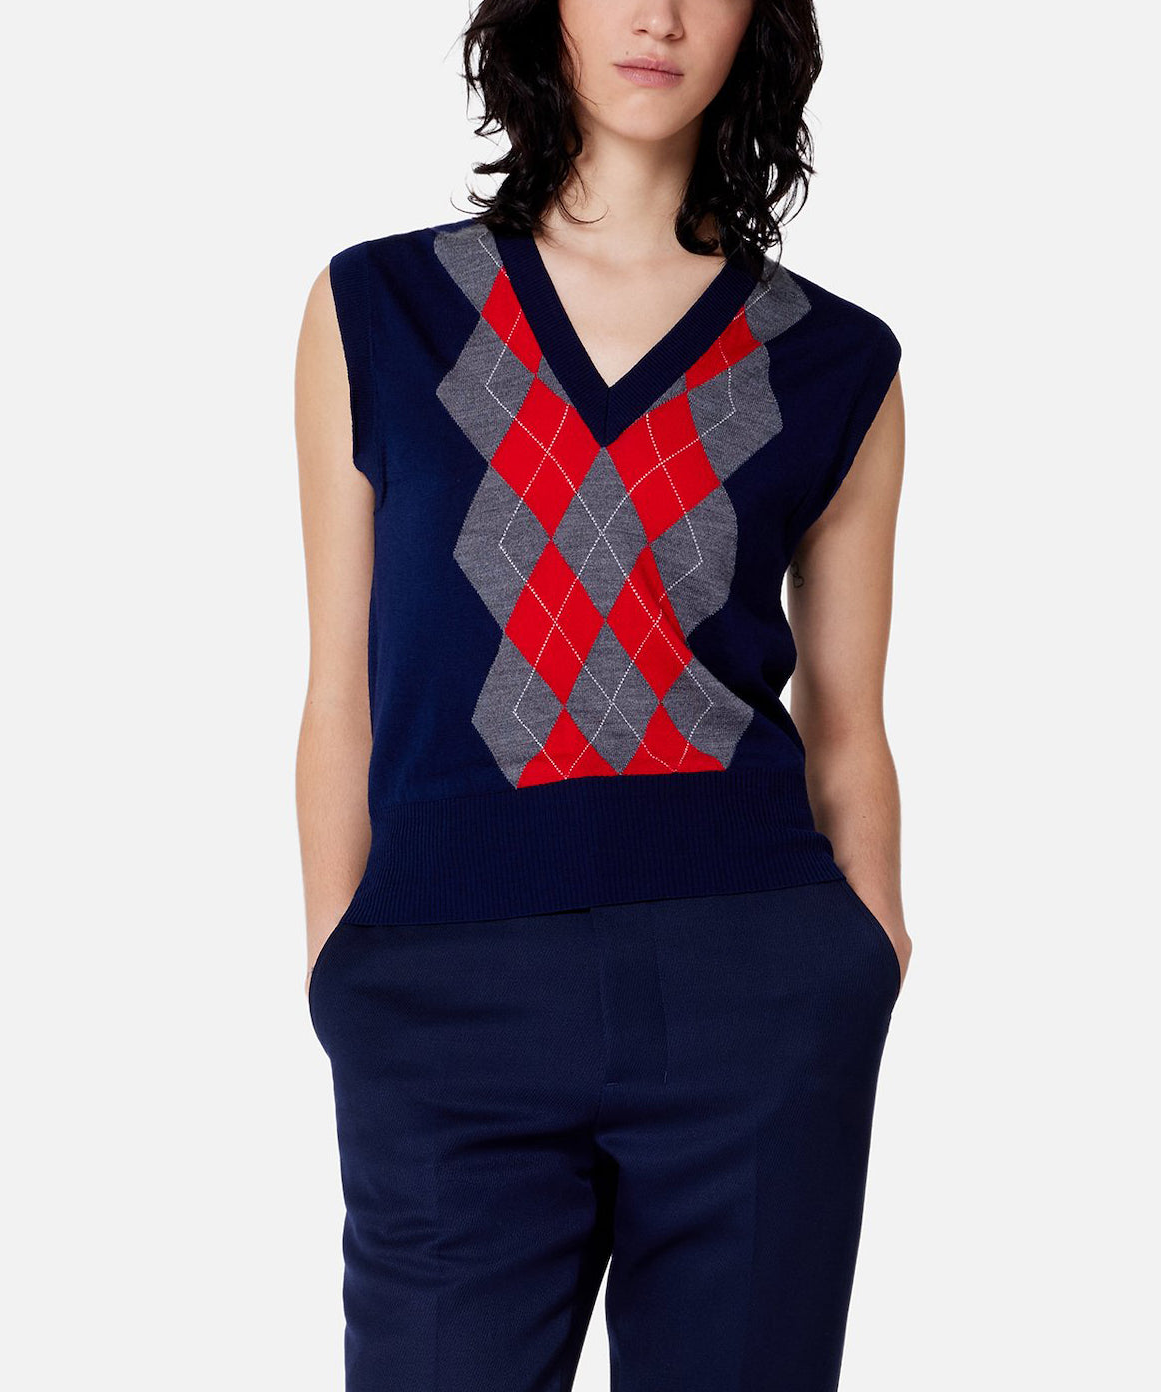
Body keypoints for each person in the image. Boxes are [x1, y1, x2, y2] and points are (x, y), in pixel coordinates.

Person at [293, 1, 911, 1386]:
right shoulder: (379, 309)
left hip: (756, 993)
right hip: (440, 994)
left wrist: (865, 953)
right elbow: (340, 688)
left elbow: (850, 726)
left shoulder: (837, 360)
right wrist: (346, 966)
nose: (658, 15)